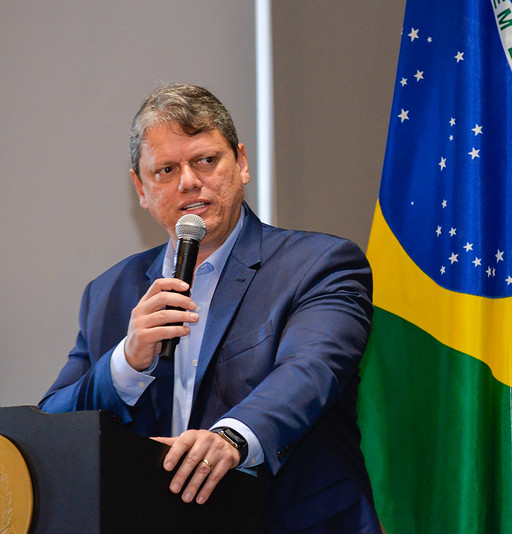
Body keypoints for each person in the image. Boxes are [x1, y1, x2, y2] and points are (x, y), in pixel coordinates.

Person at [39, 82, 381, 533]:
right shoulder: (108, 293)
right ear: (140, 188)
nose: (188, 181)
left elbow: (310, 372)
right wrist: (127, 361)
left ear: (240, 163)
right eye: (165, 170)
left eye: (205, 160)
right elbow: (52, 428)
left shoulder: (320, 264)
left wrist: (230, 437)